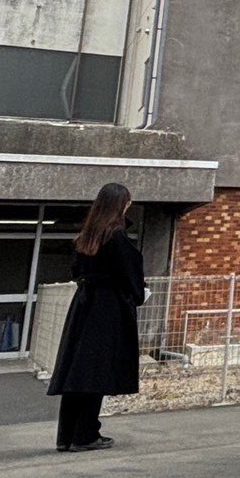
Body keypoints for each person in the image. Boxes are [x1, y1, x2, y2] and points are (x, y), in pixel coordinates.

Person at [48, 182, 145, 452]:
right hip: (108, 309)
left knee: (78, 371)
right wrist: (137, 294)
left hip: (84, 306)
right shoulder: (115, 237)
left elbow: (76, 270)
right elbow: (131, 275)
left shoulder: (87, 236)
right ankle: (86, 434)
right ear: (121, 205)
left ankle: (66, 435)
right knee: (97, 370)